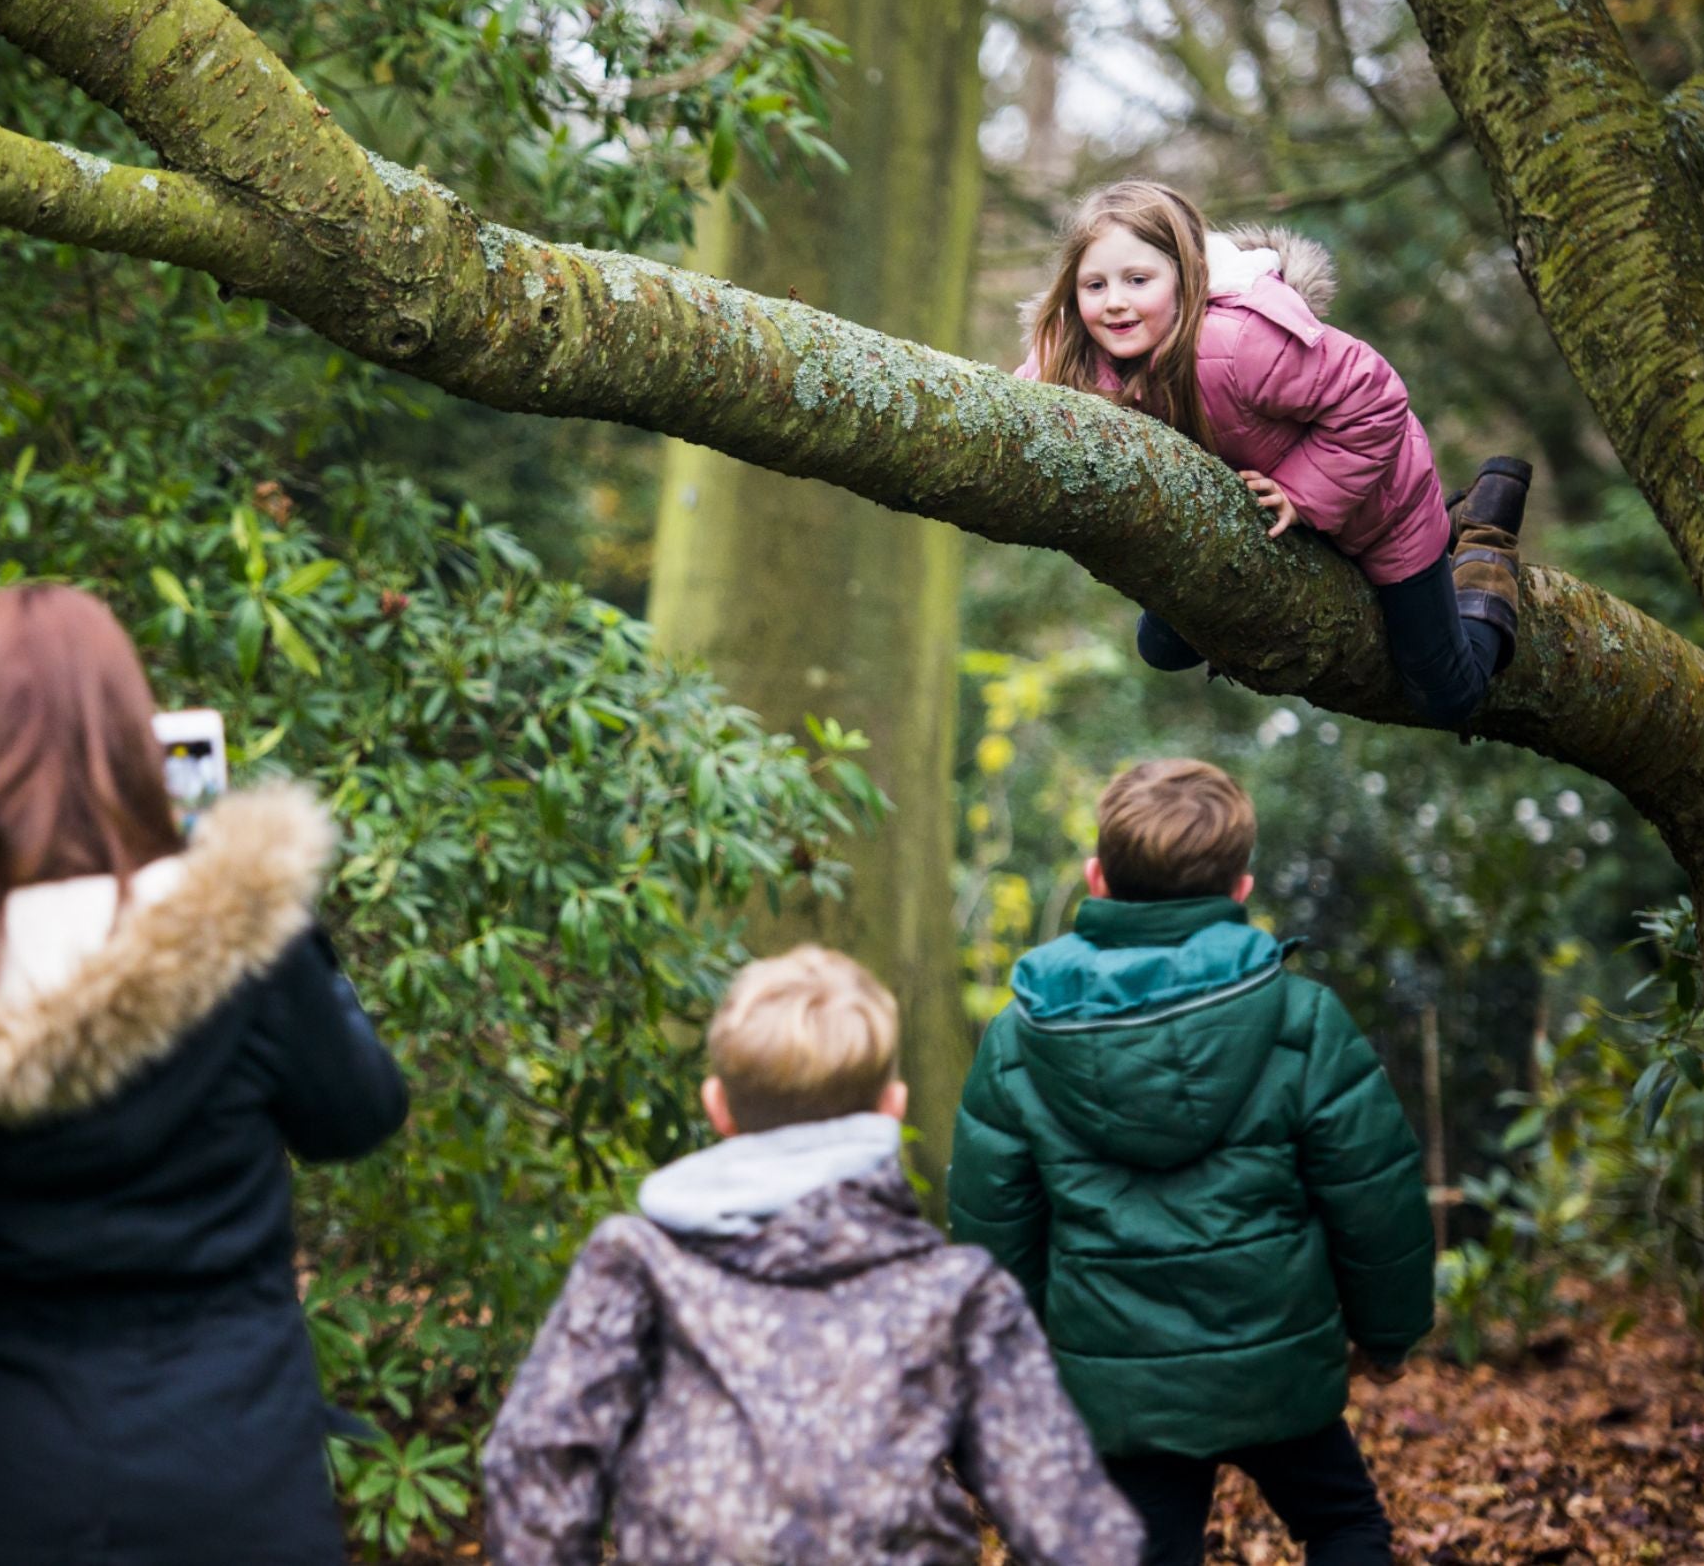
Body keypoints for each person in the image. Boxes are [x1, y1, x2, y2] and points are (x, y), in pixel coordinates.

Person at [0, 583, 408, 1566]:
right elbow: (358, 1113)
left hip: (0, 1473)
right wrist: (264, 912)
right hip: (230, 1465)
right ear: (127, 732)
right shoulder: (237, 944)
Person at [482, 945, 1143, 1566]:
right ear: (893, 1107)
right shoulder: (955, 1294)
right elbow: (1073, 1524)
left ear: (718, 1108)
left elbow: (536, 1466)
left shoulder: (633, 1266)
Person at [949, 759, 1434, 1566]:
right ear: (1240, 888)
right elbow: (1373, 1197)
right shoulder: (1300, 1017)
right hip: (1277, 1364)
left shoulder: (1020, 1038)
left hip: (1118, 1388)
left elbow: (997, 1230)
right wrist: (1388, 1335)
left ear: (1095, 879)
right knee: (1345, 1525)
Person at [1019, 179, 1534, 729]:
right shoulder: (1079, 352)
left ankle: (1481, 545)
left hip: (1379, 510)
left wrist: (1302, 493)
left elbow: (1375, 399)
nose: (1115, 301)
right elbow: (1024, 410)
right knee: (1162, 647)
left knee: (1447, 696)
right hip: (1268, 518)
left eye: (1138, 280)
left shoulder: (1239, 342)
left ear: (1185, 275)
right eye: (1094, 285)